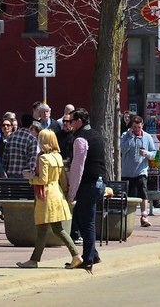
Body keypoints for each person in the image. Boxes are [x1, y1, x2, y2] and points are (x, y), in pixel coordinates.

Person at [16, 129, 82, 270]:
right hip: (57, 193)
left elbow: (43, 180)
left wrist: (29, 177)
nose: (38, 141)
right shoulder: (58, 156)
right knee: (57, 229)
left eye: (40, 138)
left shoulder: (43, 158)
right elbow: (63, 179)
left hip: (45, 196)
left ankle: (35, 260)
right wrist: (67, 194)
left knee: (43, 229)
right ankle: (75, 255)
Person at [66, 108, 106, 272]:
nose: (69, 124)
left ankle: (88, 259)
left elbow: (78, 168)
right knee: (82, 219)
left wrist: (71, 193)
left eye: (71, 121)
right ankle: (93, 254)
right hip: (99, 183)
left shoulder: (80, 139)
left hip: (89, 185)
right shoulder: (96, 135)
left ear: (79, 121)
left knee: (86, 222)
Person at [120, 115, 157, 228]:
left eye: (139, 127)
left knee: (143, 192)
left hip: (141, 170)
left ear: (142, 126)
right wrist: (131, 137)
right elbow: (122, 149)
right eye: (134, 127)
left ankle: (144, 216)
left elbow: (154, 153)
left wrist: (147, 154)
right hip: (127, 171)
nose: (137, 130)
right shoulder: (125, 135)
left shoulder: (147, 137)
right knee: (127, 196)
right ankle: (126, 217)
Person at [3, 114, 38, 179]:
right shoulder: (32, 139)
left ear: (21, 122)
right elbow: (32, 160)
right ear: (31, 125)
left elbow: (5, 156)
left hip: (10, 173)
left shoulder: (12, 136)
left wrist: (3, 171)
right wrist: (31, 175)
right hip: (23, 176)